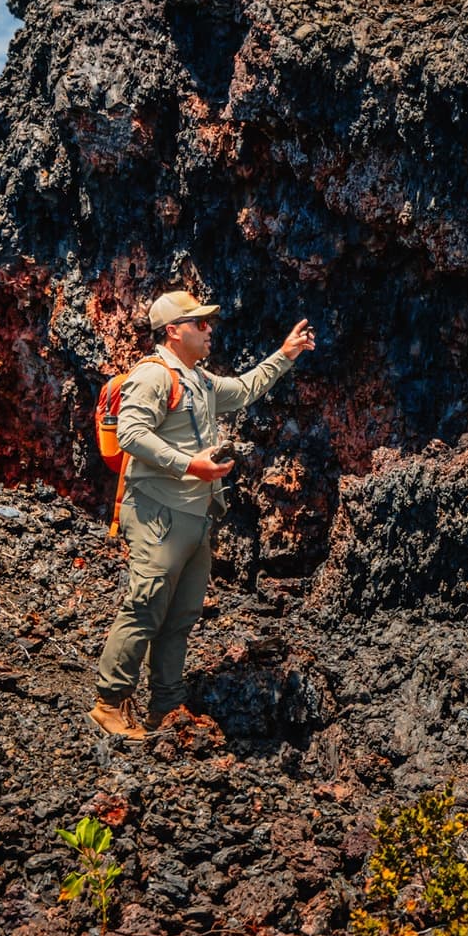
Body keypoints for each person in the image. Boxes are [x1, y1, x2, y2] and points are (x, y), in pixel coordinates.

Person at [89, 291, 316, 739]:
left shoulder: (199, 379)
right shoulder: (153, 376)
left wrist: (285, 355)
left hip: (196, 516)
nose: (209, 329)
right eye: (200, 324)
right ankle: (109, 704)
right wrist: (191, 465)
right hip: (159, 513)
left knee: (181, 615)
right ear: (173, 331)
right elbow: (133, 433)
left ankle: (165, 707)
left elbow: (247, 388)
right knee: (145, 607)